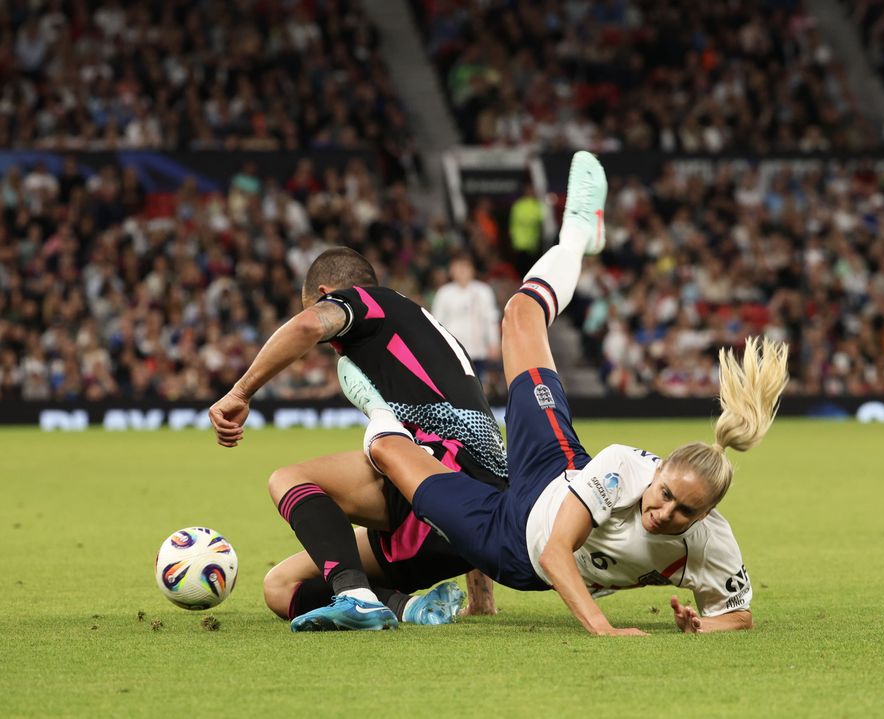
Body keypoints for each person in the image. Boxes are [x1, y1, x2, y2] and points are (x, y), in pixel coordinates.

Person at [328, 151, 788, 636]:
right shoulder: (625, 468)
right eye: (667, 494)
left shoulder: (711, 541)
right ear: (659, 471)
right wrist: (603, 628)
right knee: (520, 314)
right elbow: (559, 549)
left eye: (685, 511)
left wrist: (701, 627)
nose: (664, 512)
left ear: (707, 515)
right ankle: (578, 235)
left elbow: (737, 615)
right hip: (558, 469)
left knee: (391, 452)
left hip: (510, 543)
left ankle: (375, 405)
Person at [209, 247, 507, 630]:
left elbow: (307, 327)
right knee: (280, 587)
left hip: (432, 498)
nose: (330, 345)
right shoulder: (427, 336)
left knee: (288, 479)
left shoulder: (370, 302)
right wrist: (482, 597)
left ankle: (356, 596)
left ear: (326, 293)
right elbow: (471, 453)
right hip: (474, 526)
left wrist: (240, 392)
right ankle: (407, 608)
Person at [430, 253, 500, 385]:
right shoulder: (444, 293)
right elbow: (436, 323)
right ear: (451, 270)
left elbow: (490, 318)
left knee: (479, 387)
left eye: (465, 267)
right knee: (455, 387)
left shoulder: (483, 291)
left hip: (478, 350)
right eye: (458, 267)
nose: (462, 271)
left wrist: (494, 342)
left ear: (472, 269)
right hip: (452, 352)